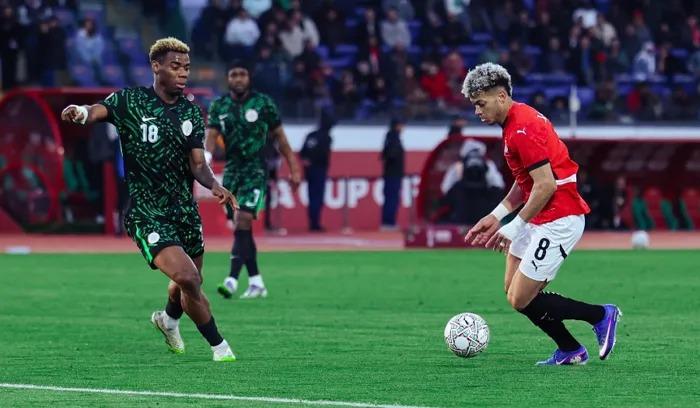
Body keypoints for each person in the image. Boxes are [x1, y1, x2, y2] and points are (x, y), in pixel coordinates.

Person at [60, 37, 238, 362]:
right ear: (156, 66)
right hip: (147, 211)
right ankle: (220, 348)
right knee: (188, 278)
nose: (183, 73)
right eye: (175, 66)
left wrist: (215, 185)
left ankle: (167, 320)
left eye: (186, 67)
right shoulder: (131, 101)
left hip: (184, 211)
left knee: (190, 282)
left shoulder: (190, 112)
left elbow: (198, 164)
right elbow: (98, 110)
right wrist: (82, 113)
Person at [462, 63, 621, 366]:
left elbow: (546, 185)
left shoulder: (521, 129)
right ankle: (570, 350)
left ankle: (601, 315)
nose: (477, 111)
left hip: (560, 218)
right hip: (539, 215)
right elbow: (527, 182)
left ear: (501, 96)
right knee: (513, 291)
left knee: (521, 296)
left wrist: (512, 226)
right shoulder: (515, 122)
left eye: (480, 103)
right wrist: (497, 215)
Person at [205, 60, 301, 299]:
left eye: (242, 74)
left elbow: (280, 138)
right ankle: (257, 282)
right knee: (242, 228)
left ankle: (231, 279)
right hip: (232, 171)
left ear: (249, 78)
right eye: (234, 74)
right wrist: (206, 158)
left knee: (243, 219)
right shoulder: (219, 105)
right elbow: (212, 135)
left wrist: (294, 167)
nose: (238, 78)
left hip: (256, 169)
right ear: (228, 78)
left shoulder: (263, 104)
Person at [300, 107, 336, 232]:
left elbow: (303, 152)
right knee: (318, 196)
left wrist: (307, 160)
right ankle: (315, 223)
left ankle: (312, 221)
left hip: (309, 170)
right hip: (319, 169)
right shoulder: (326, 137)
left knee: (312, 196)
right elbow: (323, 154)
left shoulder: (311, 135)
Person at [380, 118, 405, 230]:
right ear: (397, 126)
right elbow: (391, 155)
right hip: (393, 173)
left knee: (390, 198)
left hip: (391, 173)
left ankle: (388, 221)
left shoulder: (389, 138)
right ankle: (388, 222)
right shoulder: (394, 139)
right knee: (392, 198)